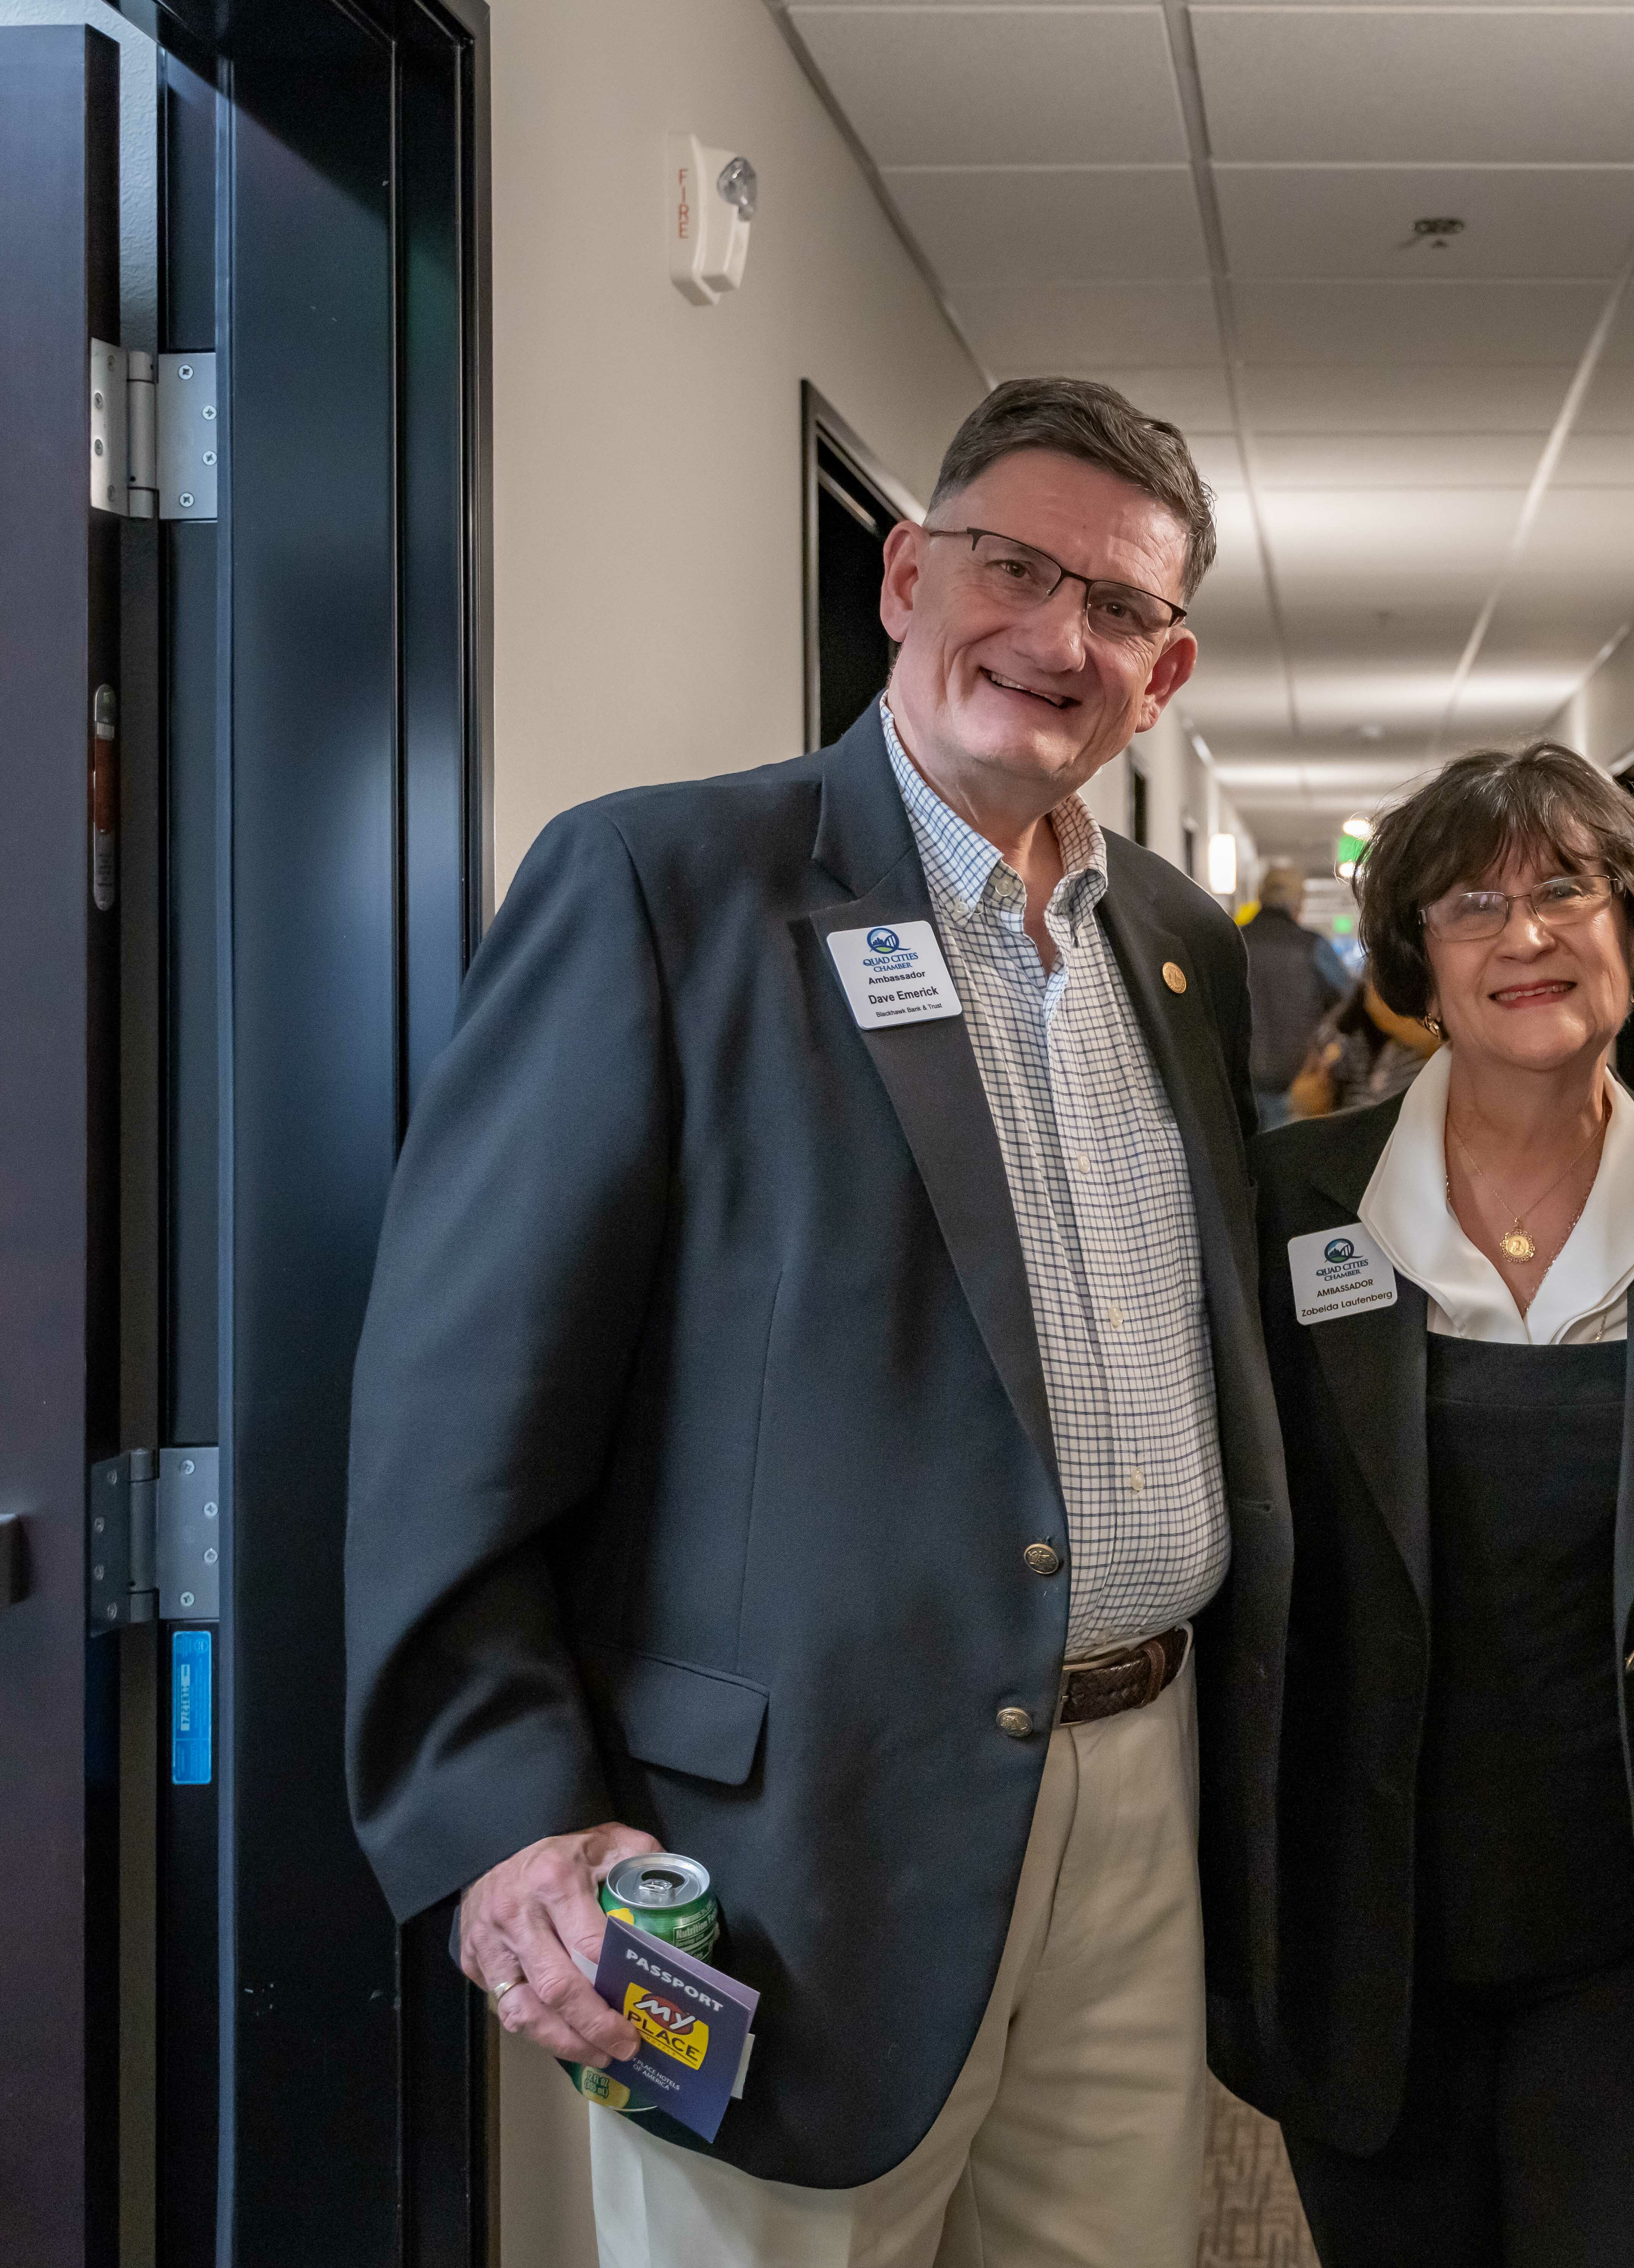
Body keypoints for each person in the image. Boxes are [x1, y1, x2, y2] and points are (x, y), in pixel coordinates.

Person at [344, 377, 1292, 2268]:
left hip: (1141, 1796)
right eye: (1013, 569)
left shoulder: (1181, 948)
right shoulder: (669, 886)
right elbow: (464, 1394)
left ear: (1165, 670)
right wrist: (506, 1809)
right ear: (905, 574)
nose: (1055, 638)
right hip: (798, 1831)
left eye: (1116, 610)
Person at [1229, 744, 1634, 2266]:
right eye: (1470, 903)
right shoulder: (1289, 1204)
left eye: (1568, 887)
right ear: (1414, 955)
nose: (1527, 934)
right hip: (1368, 1916)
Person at [1242, 857, 1351, 1127]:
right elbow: (1350, 1003)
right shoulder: (1312, 947)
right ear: (1299, 903)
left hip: (1241, 1086)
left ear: (1260, 896)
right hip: (1299, 1086)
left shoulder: (1233, 941)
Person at [1288, 972, 1438, 1117]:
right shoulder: (1346, 1025)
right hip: (1350, 1128)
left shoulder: (1430, 1035)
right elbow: (1307, 1096)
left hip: (1395, 1127)